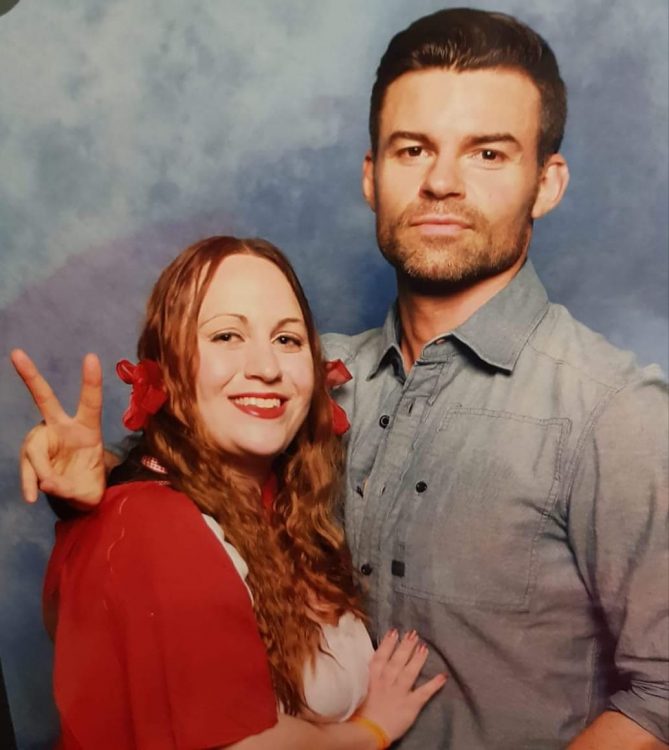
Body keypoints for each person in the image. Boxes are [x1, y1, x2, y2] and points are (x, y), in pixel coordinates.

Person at [14, 7, 669, 750]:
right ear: (371, 175)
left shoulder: (613, 414)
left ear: (546, 183)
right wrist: (98, 485)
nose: (441, 183)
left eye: (487, 153)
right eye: (412, 149)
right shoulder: (306, 379)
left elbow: (661, 692)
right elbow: (195, 507)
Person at [11, 236, 446, 750]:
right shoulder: (155, 525)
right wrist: (371, 729)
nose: (266, 366)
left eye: (287, 340)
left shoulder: (282, 504)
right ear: (166, 370)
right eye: (225, 336)